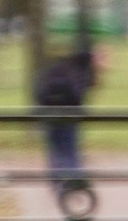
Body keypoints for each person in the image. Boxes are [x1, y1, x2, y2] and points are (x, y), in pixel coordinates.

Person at [33, 36, 99, 193]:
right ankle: (73, 180)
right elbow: (77, 94)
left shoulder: (63, 66)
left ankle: (57, 182)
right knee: (69, 147)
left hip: (48, 111)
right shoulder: (81, 70)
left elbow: (41, 89)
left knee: (55, 148)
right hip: (66, 114)